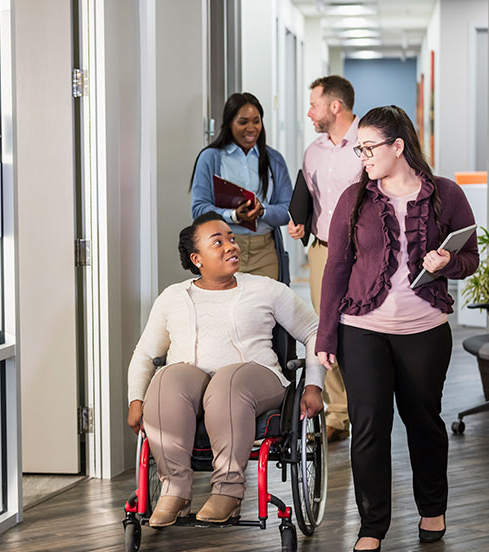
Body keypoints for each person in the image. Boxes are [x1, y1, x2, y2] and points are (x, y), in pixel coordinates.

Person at [314, 106, 479, 552]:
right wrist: (326, 334)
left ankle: (432, 509)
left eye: (369, 148)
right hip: (362, 329)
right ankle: (372, 525)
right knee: (369, 427)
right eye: (359, 148)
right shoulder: (355, 199)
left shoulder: (446, 195)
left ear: (398, 146)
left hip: (424, 329)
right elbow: (337, 268)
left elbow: (471, 259)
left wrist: (449, 263)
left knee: (424, 422)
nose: (362, 156)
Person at [126, 211, 324, 528]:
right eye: (218, 242)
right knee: (167, 377)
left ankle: (228, 490)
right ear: (196, 258)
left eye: (231, 239)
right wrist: (136, 400)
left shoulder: (267, 289)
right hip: (191, 388)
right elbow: (147, 353)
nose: (231, 246)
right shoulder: (173, 298)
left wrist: (313, 385)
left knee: (228, 380)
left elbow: (315, 331)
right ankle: (174, 489)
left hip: (256, 380)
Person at [288, 75, 362, 442]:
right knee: (325, 327)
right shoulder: (313, 151)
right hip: (322, 250)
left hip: (363, 251)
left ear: (335, 106)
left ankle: (367, 407)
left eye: (314, 104)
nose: (309, 112)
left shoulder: (368, 141)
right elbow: (309, 195)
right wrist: (299, 222)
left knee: (363, 327)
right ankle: (339, 413)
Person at [191, 93, 293, 283]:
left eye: (256, 121)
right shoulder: (210, 157)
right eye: (243, 122)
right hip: (223, 250)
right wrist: (233, 216)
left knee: (265, 310)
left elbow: (288, 210)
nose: (251, 128)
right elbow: (199, 209)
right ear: (229, 123)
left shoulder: (274, 159)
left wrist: (263, 211)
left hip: (264, 251)